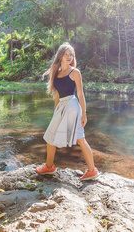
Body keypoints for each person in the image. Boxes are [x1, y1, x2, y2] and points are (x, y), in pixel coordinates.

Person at [36, 42, 99, 181]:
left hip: (72, 106)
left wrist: (84, 113)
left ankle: (92, 170)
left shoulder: (74, 72)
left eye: (71, 54)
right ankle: (49, 166)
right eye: (66, 54)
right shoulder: (56, 72)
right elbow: (57, 95)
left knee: (80, 138)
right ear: (61, 56)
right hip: (62, 107)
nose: (69, 57)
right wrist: (55, 113)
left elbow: (81, 94)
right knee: (50, 135)